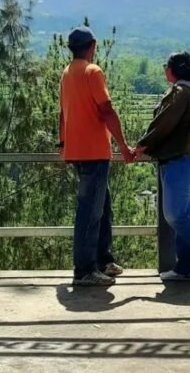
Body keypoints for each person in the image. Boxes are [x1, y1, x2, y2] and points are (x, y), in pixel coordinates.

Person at [58, 26, 134, 287]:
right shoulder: (93, 71)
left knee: (102, 207)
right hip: (94, 152)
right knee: (90, 212)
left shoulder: (67, 73)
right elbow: (107, 110)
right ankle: (84, 270)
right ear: (92, 45)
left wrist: (62, 143)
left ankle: (103, 261)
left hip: (77, 151)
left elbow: (62, 112)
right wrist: (124, 146)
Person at [134, 51, 190, 281]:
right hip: (188, 158)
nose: (163, 70)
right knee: (182, 214)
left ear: (172, 70)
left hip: (180, 158)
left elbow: (164, 122)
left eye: (165, 66)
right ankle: (185, 267)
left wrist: (143, 144)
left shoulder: (181, 92)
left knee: (174, 215)